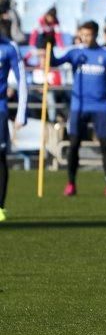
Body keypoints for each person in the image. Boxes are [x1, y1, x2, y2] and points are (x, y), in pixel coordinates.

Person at [50, 21, 106, 198]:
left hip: (100, 106)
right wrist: (50, 45)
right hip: (78, 106)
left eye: (89, 35)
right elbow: (55, 62)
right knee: (74, 144)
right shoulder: (76, 53)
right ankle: (71, 183)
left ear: (96, 35)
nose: (85, 38)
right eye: (82, 34)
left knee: (105, 144)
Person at [0, 36, 27, 222]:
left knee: (0, 158)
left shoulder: (9, 48)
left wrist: (21, 112)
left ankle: (0, 207)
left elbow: (22, 80)